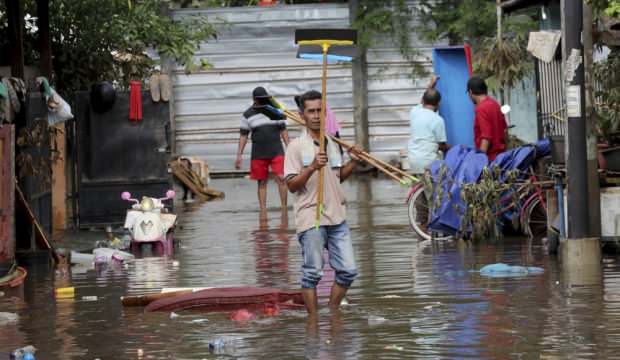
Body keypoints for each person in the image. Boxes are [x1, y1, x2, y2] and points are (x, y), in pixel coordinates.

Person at [284, 90, 361, 314]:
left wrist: (354, 161)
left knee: (348, 271)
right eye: (311, 111)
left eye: (320, 110)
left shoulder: (333, 142)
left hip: (337, 215)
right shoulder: (296, 146)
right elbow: (291, 185)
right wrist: (311, 168)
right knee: (312, 273)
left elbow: (338, 178)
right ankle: (313, 320)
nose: (316, 115)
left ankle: (332, 311)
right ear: (303, 115)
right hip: (311, 217)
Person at [235, 86, 289, 212]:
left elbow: (283, 130)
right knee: (262, 182)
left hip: (276, 150)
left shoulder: (275, 111)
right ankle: (263, 211)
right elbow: (243, 135)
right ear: (254, 99)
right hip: (258, 153)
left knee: (282, 178)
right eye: (260, 99)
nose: (263, 101)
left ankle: (284, 208)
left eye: (264, 99)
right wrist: (239, 155)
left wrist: (289, 147)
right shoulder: (247, 114)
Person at [408, 75, 449, 174]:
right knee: (434, 188)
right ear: (438, 104)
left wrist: (431, 84)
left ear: (423, 101)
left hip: (413, 161)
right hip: (429, 163)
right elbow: (441, 145)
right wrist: (454, 148)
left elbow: (424, 99)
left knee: (418, 187)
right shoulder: (438, 120)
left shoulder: (414, 111)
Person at [467, 76, 508, 161]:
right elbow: (505, 130)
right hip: (502, 157)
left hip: (490, 159)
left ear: (470, 92)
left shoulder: (481, 108)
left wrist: (479, 161)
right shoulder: (495, 104)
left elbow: (486, 137)